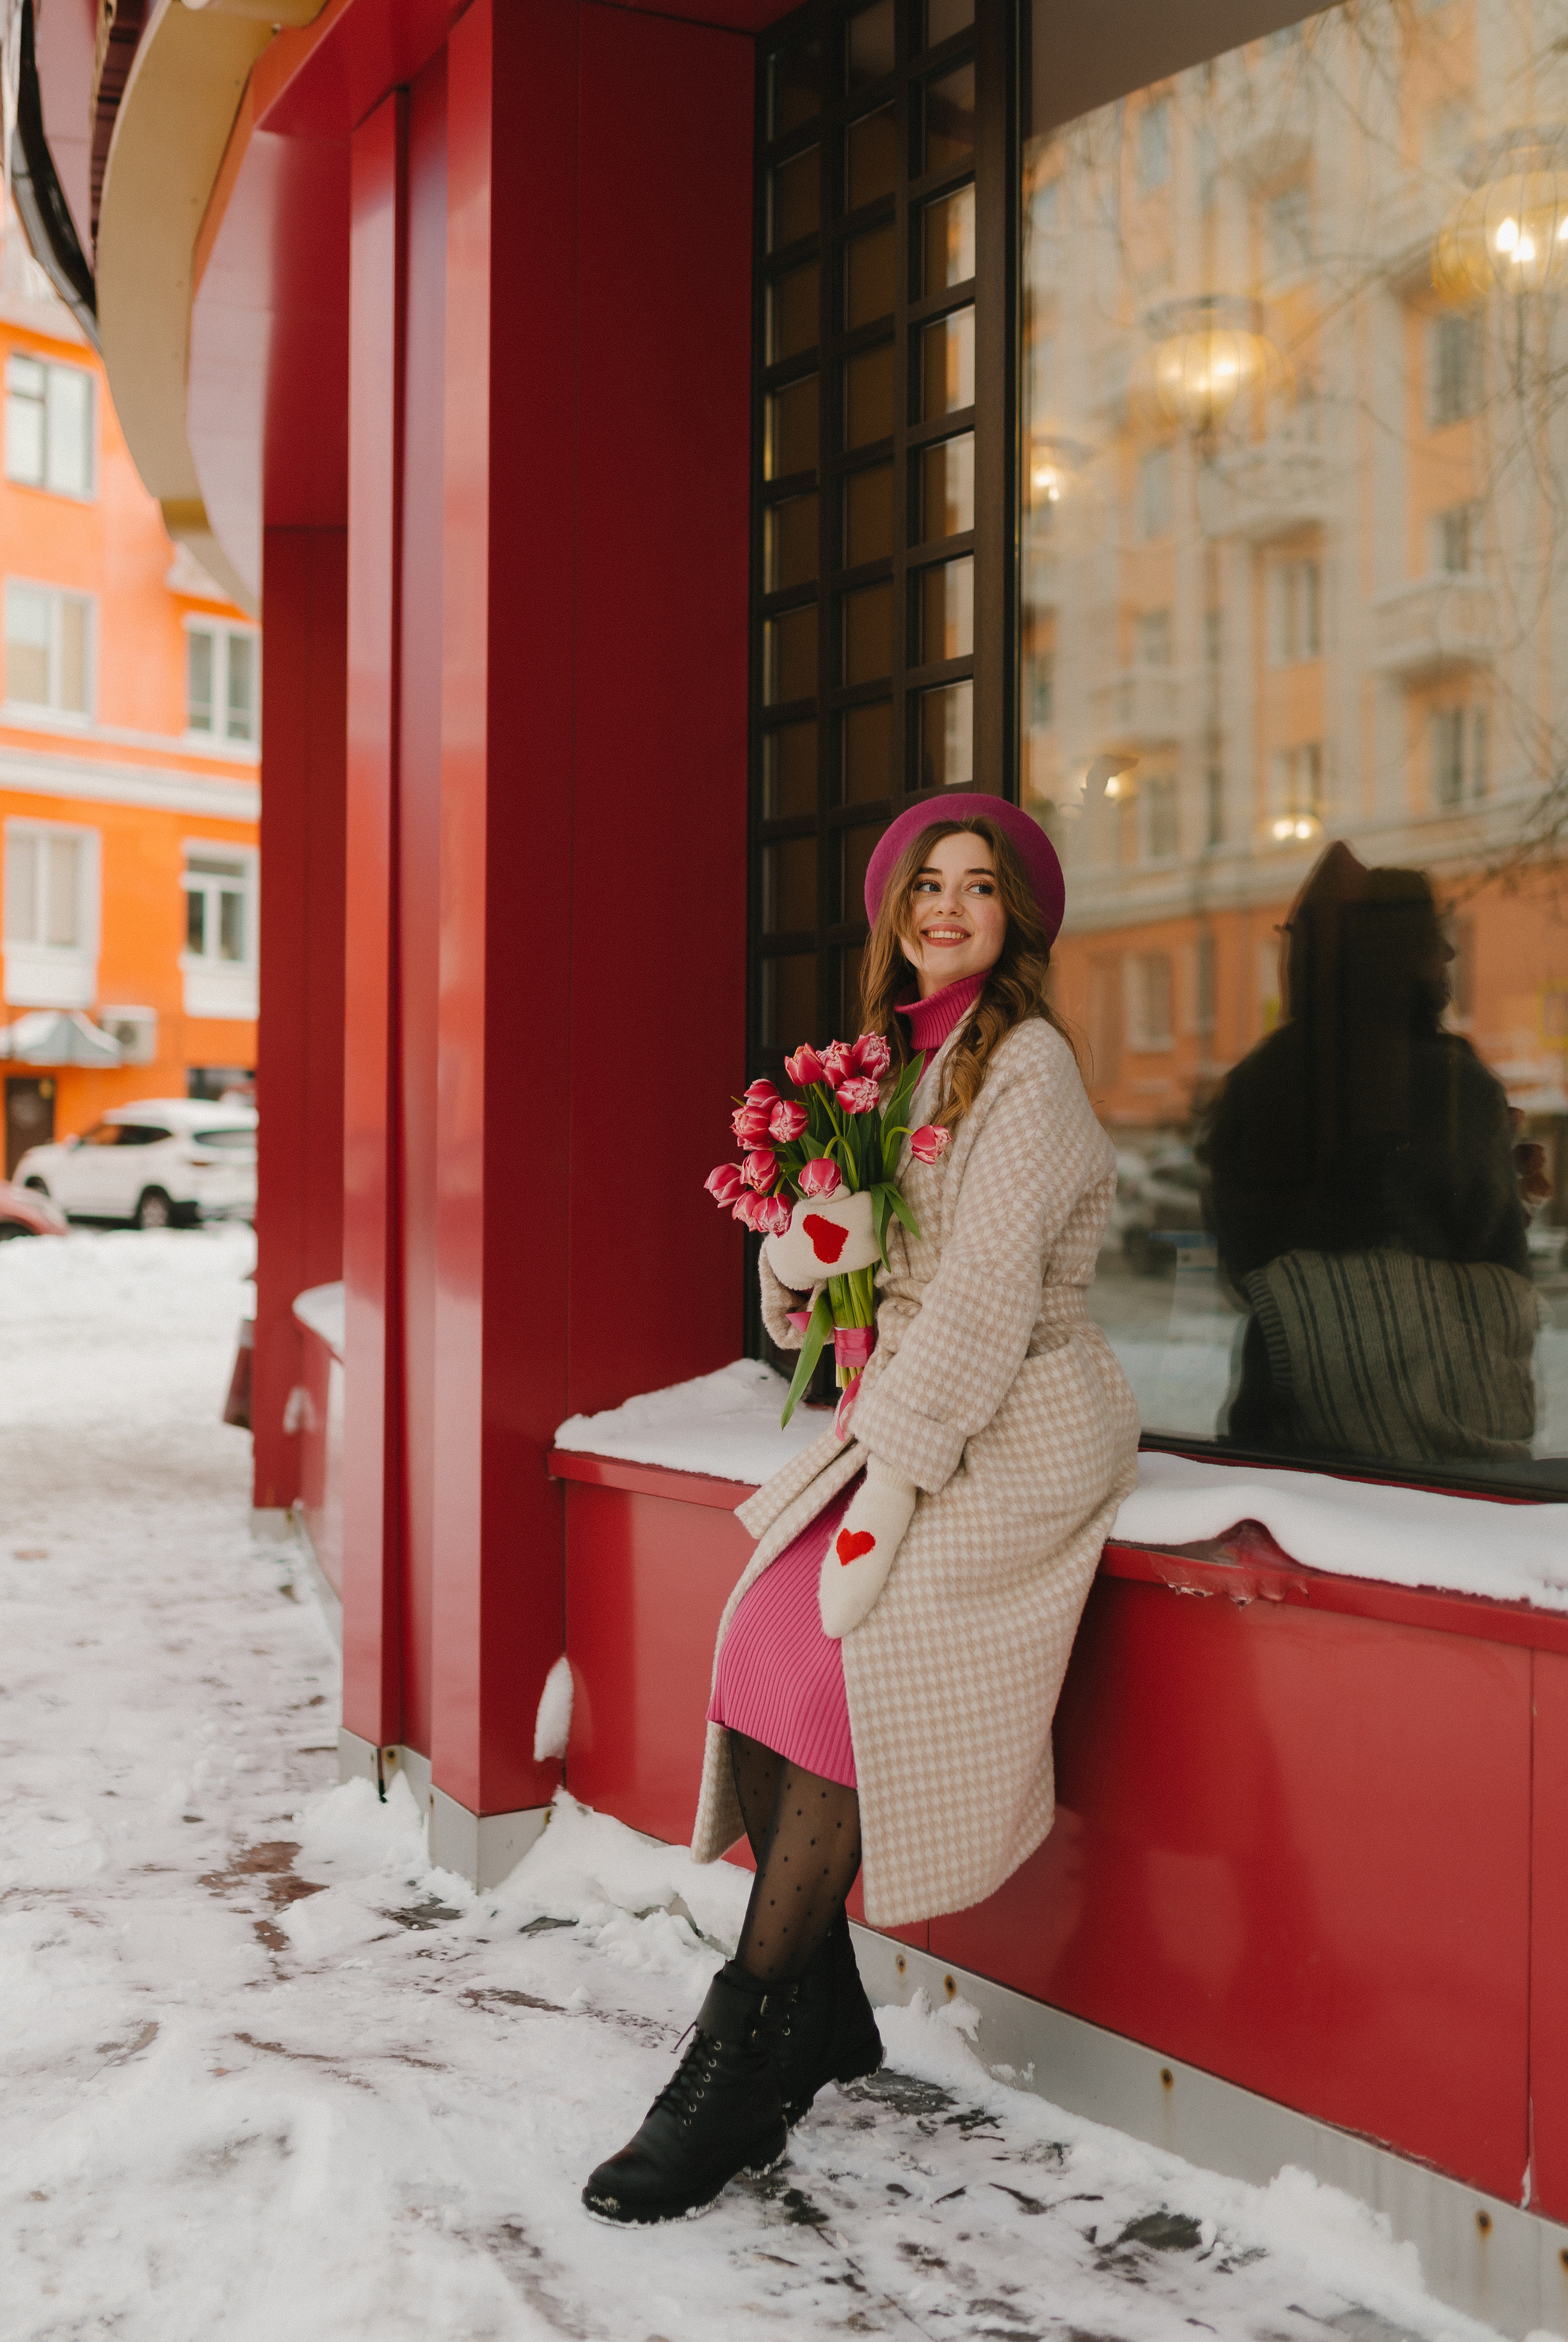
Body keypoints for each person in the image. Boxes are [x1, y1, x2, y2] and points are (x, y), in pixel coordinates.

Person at [582, 794, 1141, 2223]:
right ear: (891, 918)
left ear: (1014, 916)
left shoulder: (1025, 1070)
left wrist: (891, 1481)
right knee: (766, 1649)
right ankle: (820, 2013)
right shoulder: (885, 1068)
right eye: (922, 889)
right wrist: (799, 1247)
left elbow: (983, 1297)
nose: (945, 908)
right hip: (900, 1409)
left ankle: (733, 2052)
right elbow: (841, 1292)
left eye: (975, 887)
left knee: (844, 1674)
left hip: (1008, 1422)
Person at [1202, 840, 1537, 1469]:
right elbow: (1501, 1267)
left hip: (1280, 1426)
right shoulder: (1452, 1086)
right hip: (1443, 1439)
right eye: (1431, 935)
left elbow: (1243, 1259)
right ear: (1394, 949)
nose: (1448, 952)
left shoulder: (1260, 1080)